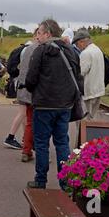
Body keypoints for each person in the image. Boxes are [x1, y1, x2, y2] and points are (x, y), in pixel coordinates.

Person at [24, 19, 83, 189]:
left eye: (39, 33)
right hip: (64, 105)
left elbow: (31, 78)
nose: (37, 36)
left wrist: (31, 88)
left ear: (47, 34)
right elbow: (78, 75)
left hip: (43, 104)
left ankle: (41, 179)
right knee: (62, 142)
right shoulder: (70, 50)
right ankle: (65, 181)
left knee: (41, 143)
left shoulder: (40, 51)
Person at [3, 29, 40, 160]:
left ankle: (25, 141)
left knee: (25, 115)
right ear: (36, 35)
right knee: (24, 114)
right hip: (25, 87)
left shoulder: (24, 48)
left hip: (20, 85)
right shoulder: (31, 49)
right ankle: (12, 137)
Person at [72, 29, 105, 121]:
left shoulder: (85, 53)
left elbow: (80, 73)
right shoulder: (97, 50)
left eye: (77, 44)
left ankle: (82, 136)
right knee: (92, 119)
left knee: (83, 121)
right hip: (98, 90)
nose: (77, 47)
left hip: (89, 92)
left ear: (81, 42)